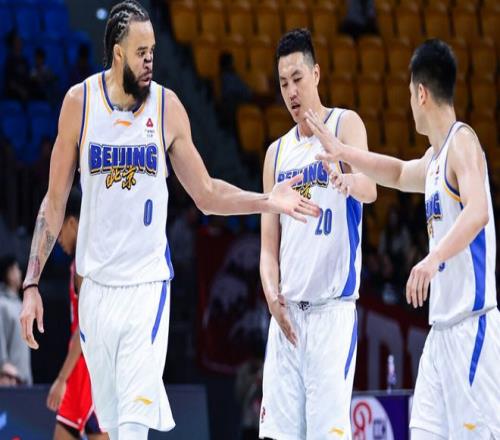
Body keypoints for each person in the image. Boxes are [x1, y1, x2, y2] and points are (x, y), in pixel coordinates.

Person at [19, 1, 319, 439]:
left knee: (133, 427)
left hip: (147, 288)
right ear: (118, 53)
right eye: (141, 52)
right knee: (113, 425)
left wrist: (268, 200)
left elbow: (207, 193)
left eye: (153, 51)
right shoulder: (79, 104)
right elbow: (54, 200)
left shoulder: (166, 107)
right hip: (95, 292)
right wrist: (31, 283)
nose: (150, 61)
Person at [309, 39, 500, 439]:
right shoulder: (434, 159)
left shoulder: (463, 142)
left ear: (421, 93)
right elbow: (396, 173)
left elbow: (478, 211)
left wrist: (432, 259)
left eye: (410, 95)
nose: (409, 104)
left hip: (472, 327)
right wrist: (343, 151)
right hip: (441, 332)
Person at [259, 28, 376, 440]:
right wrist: (271, 297)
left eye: (298, 79)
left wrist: (344, 177)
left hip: (331, 314)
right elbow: (267, 248)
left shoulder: (346, 124)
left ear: (317, 74)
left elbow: (370, 189)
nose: (291, 92)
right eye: (283, 83)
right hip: (287, 318)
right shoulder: (276, 154)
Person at [46, 188, 107, 440]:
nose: (57, 239)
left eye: (59, 230)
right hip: (85, 368)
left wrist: (62, 378)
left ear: (72, 222)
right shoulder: (83, 260)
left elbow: (85, 328)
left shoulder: (86, 263)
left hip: (91, 369)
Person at [0, 255, 32, 386]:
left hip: (23, 378)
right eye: (16, 269)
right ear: (9, 273)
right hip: (8, 379)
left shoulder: (19, 304)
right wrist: (2, 364)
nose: (20, 273)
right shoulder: (2, 304)